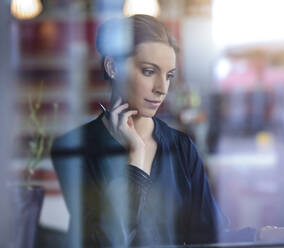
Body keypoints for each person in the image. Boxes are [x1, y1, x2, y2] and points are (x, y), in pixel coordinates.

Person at [51, 14, 257, 247]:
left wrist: (264, 235)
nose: (162, 88)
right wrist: (135, 157)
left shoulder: (181, 147)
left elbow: (211, 236)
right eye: (149, 71)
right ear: (112, 67)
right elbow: (108, 240)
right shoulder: (73, 148)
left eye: (169, 76)